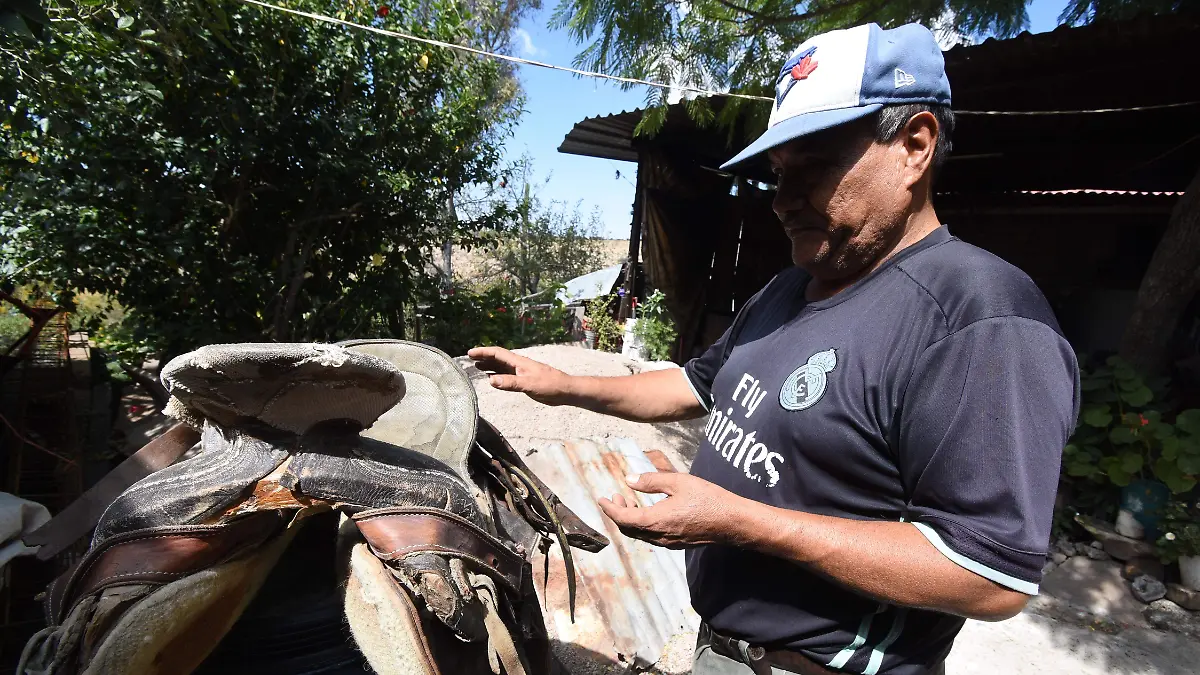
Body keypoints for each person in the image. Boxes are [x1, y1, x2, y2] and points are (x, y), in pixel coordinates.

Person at [469, 22, 1079, 675]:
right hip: (722, 649)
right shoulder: (791, 289)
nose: (782, 201)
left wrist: (741, 521)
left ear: (914, 145)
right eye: (778, 173)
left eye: (812, 167)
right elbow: (690, 385)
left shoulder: (978, 319)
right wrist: (555, 381)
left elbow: (988, 573)